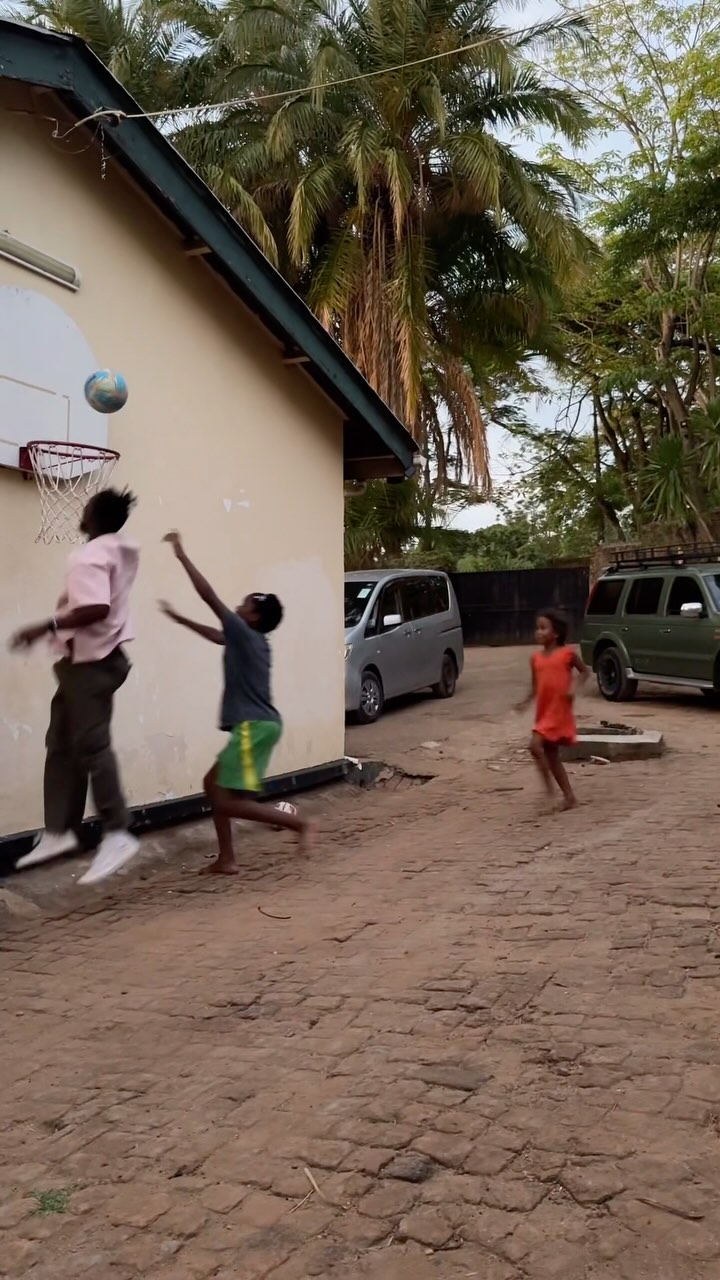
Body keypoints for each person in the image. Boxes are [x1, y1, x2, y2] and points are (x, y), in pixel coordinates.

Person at [160, 531, 311, 875]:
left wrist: (181, 554)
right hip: (259, 726)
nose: (238, 606)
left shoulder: (244, 633)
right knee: (215, 787)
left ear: (253, 616)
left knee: (230, 800)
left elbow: (209, 596)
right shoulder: (250, 638)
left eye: (244, 604)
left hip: (254, 726)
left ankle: (299, 825)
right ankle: (226, 859)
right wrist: (180, 620)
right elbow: (217, 636)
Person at [10, 488, 140, 883]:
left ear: (94, 518)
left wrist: (43, 625)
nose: (78, 513)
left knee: (90, 745)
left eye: (85, 508)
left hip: (90, 664)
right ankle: (58, 830)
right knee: (62, 744)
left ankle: (117, 832)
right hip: (93, 661)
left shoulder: (89, 556)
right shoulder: (121, 548)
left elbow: (96, 607)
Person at [516, 608, 589, 811]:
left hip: (559, 711)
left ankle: (549, 792)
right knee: (551, 755)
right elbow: (535, 686)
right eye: (537, 628)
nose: (538, 632)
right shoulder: (536, 659)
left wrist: (573, 688)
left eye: (543, 628)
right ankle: (569, 797)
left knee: (534, 746)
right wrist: (525, 702)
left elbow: (584, 672)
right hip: (544, 711)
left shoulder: (567, 654)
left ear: (555, 633)